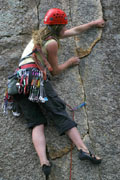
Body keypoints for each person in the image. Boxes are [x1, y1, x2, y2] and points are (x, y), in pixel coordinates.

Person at [12, 8, 105, 177]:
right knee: (59, 112)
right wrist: (69, 62)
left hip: (18, 83)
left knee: (36, 123)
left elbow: (74, 31)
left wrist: (93, 24)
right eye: (64, 25)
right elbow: (55, 71)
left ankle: (44, 163)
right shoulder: (52, 43)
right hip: (35, 78)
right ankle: (83, 150)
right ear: (59, 27)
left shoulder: (39, 37)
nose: (66, 28)